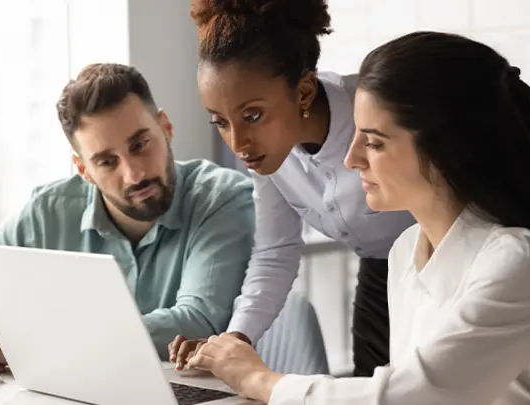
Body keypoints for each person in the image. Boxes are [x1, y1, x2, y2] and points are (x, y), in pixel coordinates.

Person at [183, 31, 530, 404]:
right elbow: (274, 250)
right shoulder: (405, 251)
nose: (351, 159)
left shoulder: (515, 261)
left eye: (375, 142)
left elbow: (414, 395)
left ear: (446, 148)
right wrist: (236, 344)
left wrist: (261, 380)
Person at [0, 63, 255, 370]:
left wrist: (30, 345)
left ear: (166, 127)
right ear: (83, 169)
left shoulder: (222, 198)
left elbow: (197, 321)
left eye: (140, 144)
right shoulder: (48, 211)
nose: (134, 173)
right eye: (107, 161)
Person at [170, 0, 414, 376]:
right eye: (220, 122)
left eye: (252, 115)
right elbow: (275, 251)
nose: (238, 143)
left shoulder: (374, 113)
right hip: (379, 276)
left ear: (302, 92)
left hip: (443, 269)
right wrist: (234, 340)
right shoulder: (268, 154)